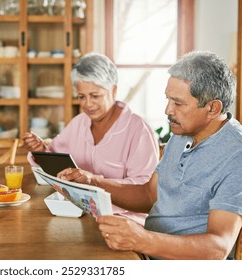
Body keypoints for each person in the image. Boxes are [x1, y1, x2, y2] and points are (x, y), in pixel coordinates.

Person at [58, 51, 242, 259]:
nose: (167, 110)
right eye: (168, 99)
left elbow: (219, 247)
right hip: (147, 253)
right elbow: (149, 195)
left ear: (212, 108)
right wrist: (92, 181)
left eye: (178, 103)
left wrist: (142, 239)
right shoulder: (183, 132)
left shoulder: (236, 154)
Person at [22, 52, 159, 225]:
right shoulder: (79, 123)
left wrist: (94, 180)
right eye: (81, 97)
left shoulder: (138, 130)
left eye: (95, 96)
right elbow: (55, 161)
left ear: (114, 90)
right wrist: (41, 150)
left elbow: (145, 192)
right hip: (79, 215)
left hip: (124, 221)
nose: (88, 104)